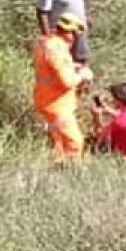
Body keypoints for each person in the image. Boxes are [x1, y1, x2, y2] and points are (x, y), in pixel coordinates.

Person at [32, 11, 94, 165]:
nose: (75, 39)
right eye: (75, 34)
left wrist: (72, 66)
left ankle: (59, 169)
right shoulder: (58, 51)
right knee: (74, 142)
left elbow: (50, 68)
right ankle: (73, 171)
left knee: (59, 143)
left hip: (47, 100)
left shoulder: (47, 43)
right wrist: (83, 75)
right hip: (56, 104)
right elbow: (67, 81)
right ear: (69, 33)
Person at [90, 82, 126, 157]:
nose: (112, 100)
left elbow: (100, 140)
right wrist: (110, 111)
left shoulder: (117, 123)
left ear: (118, 100)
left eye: (113, 98)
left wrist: (96, 118)